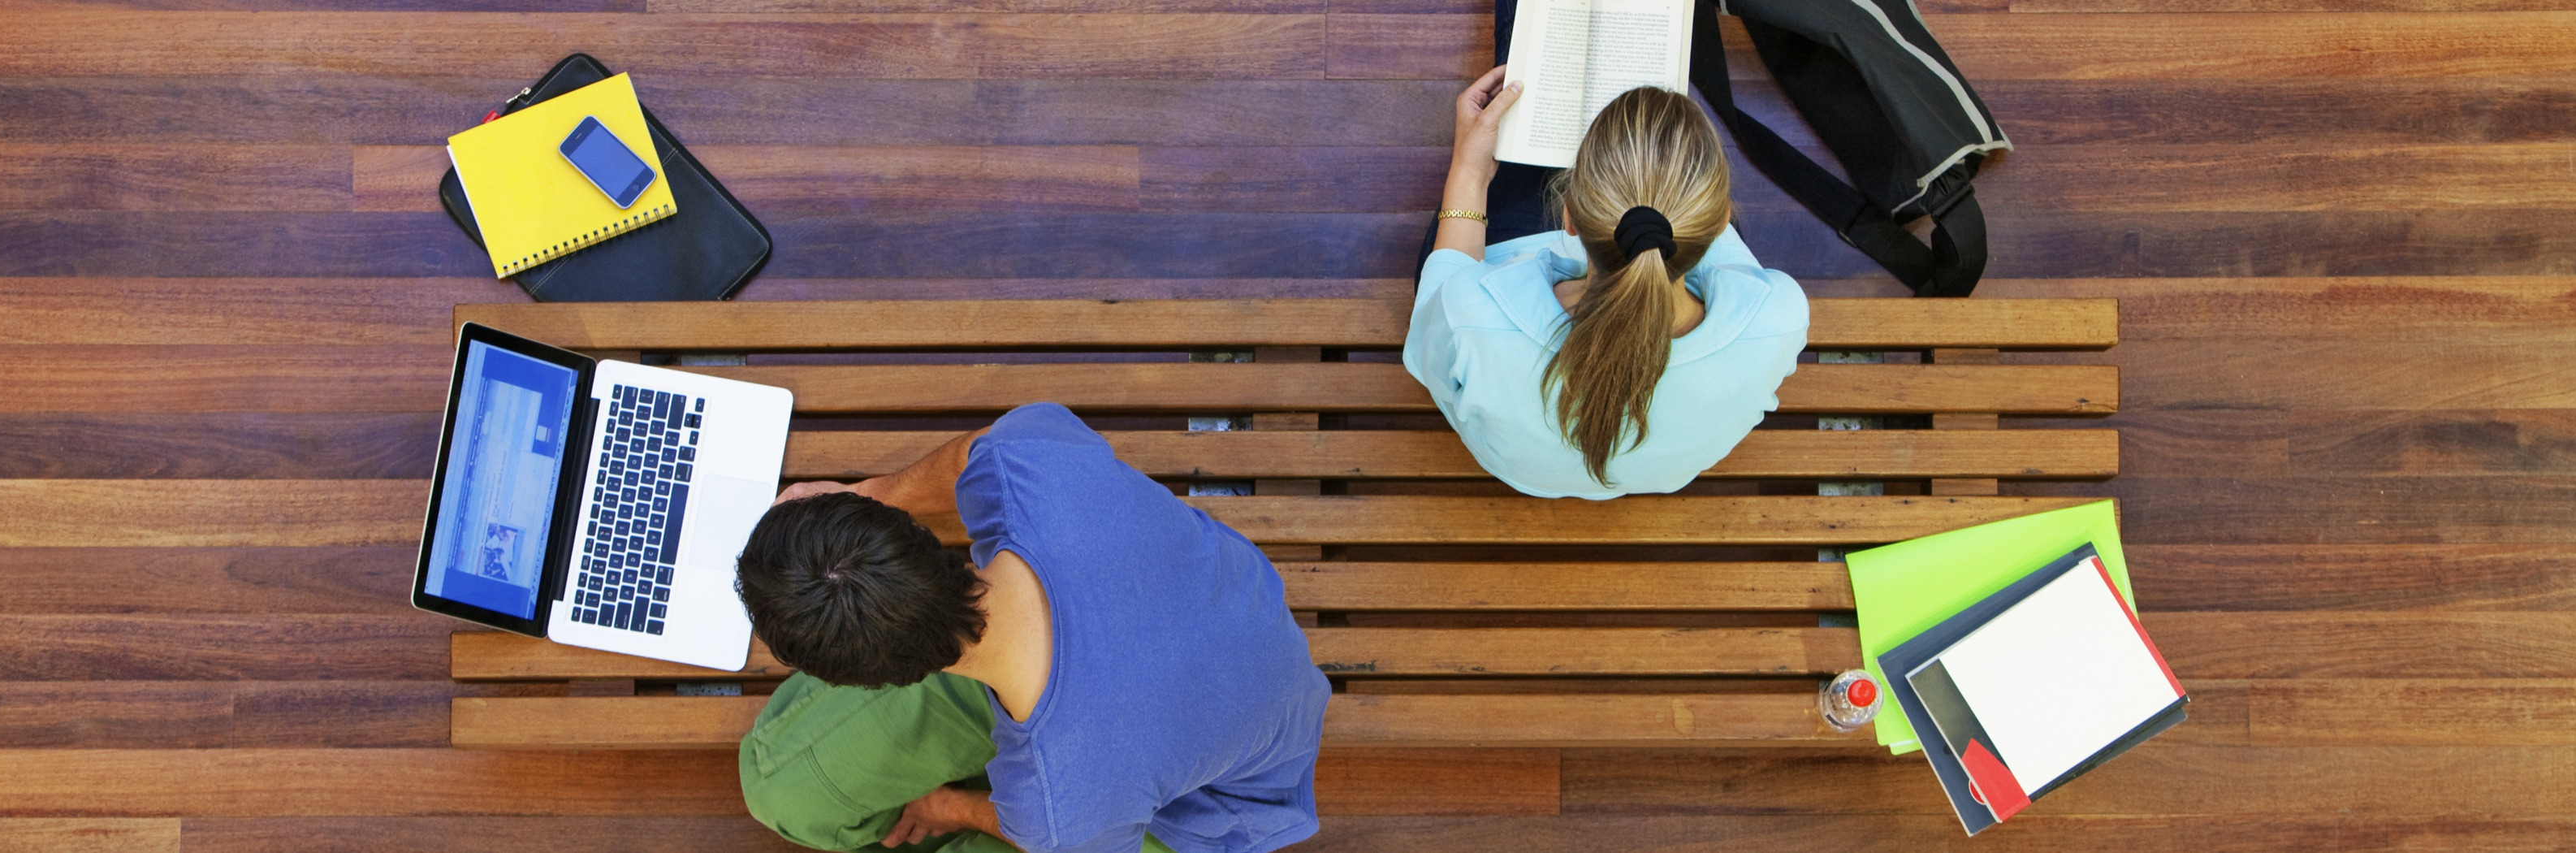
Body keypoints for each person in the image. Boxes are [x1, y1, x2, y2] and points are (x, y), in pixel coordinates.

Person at [731, 402, 1329, 853]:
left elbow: (1056, 828)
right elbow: (978, 453)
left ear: (877, 680)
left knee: (795, 792)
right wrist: (866, 495)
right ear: (907, 531)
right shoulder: (1024, 463)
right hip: (1213, 647)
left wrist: (952, 807)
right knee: (780, 786)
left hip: (1202, 804)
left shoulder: (1059, 809)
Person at [1406, 6, 1810, 500]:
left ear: (1568, 217)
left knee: (1533, 60)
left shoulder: (1470, 314)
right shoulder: (1775, 318)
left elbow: (1437, 311)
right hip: (1645, 243)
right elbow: (1706, 235)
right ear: (1720, 219)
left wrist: (1469, 169)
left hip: (1508, 257)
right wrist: (1664, 166)